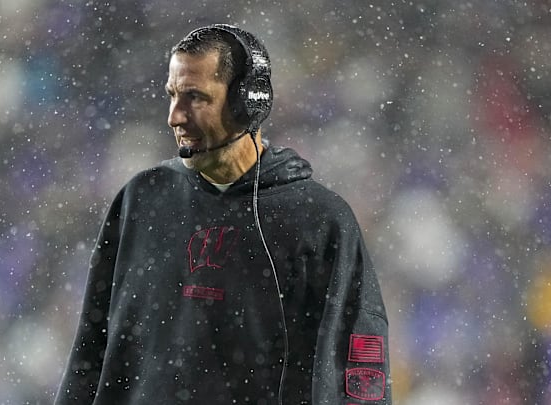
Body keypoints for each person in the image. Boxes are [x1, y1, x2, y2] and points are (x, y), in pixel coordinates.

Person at [55, 24, 391, 404]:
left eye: (195, 97)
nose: (174, 116)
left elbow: (360, 372)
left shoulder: (319, 221)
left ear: (247, 103)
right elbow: (90, 352)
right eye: (172, 96)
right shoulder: (142, 200)